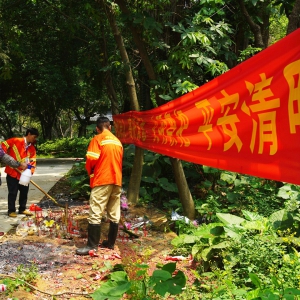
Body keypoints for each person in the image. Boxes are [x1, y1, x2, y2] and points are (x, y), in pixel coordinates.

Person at [76, 117, 123, 255]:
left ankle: (91, 246)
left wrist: (91, 174)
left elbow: (91, 159)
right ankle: (110, 243)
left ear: (97, 128)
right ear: (110, 127)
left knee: (95, 212)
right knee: (114, 213)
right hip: (117, 180)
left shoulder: (98, 139)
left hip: (103, 179)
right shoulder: (118, 141)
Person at [1, 128, 39, 218]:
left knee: (24, 192)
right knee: (13, 192)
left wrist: (30, 172)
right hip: (13, 172)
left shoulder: (32, 148)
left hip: (25, 174)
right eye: (34, 137)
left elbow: (33, 161)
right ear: (29, 134)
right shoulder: (15, 140)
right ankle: (11, 210)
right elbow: (2, 147)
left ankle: (22, 209)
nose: (35, 139)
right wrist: (7, 158)